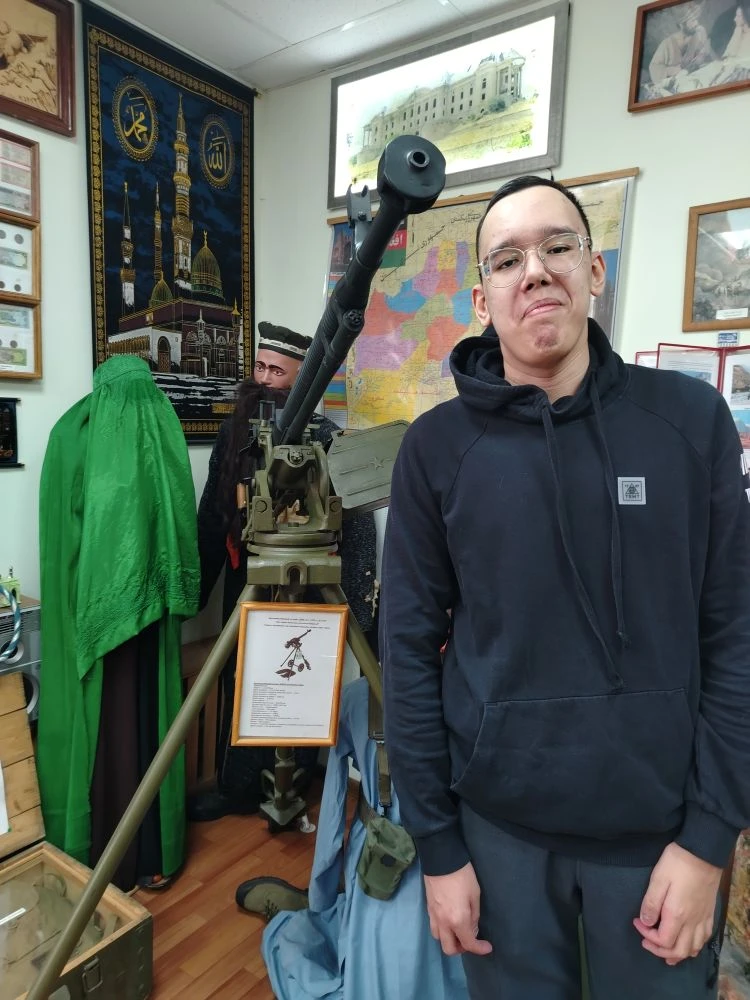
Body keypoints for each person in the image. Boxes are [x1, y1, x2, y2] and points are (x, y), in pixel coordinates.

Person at [380, 175, 750, 999]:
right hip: (497, 837)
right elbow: (406, 651)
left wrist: (710, 837)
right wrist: (437, 846)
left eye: (557, 246)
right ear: (483, 299)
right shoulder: (436, 450)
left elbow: (734, 633)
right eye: (507, 259)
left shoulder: (689, 423)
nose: (536, 271)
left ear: (595, 270)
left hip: (659, 841)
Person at [190, 322, 378, 822]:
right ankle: (237, 786)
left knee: (303, 678)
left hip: (310, 580)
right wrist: (195, 591)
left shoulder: (327, 440)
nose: (264, 379)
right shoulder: (234, 435)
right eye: (259, 367)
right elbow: (214, 511)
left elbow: (356, 526)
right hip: (251, 573)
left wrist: (359, 610)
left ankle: (298, 779)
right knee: (242, 678)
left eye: (277, 371)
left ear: (300, 381)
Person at [648, 3, 714, 84]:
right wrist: (678, 70)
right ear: (681, 24)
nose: (696, 23)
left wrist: (701, 57)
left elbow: (706, 54)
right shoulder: (667, 44)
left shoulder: (699, 34)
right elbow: (654, 69)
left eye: (696, 20)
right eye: (693, 20)